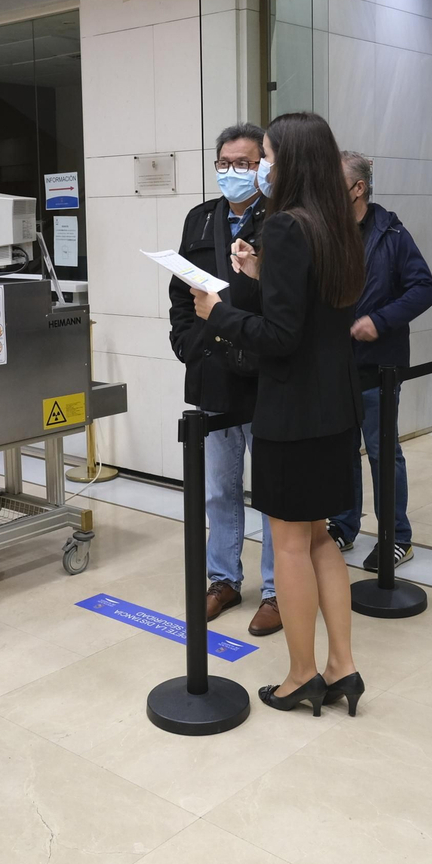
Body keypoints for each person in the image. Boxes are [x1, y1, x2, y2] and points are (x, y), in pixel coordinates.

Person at [193, 111, 366, 717]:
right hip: (335, 408)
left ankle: (300, 675)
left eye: (264, 155)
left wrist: (219, 312)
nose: (260, 167)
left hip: (292, 412)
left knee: (290, 545)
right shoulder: (336, 224)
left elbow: (281, 335)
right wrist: (261, 273)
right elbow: (314, 310)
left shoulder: (288, 225)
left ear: (289, 160)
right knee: (321, 540)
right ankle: (342, 666)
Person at [168, 122, 281, 637]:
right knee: (218, 487)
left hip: (265, 372)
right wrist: (185, 342)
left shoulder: (280, 220)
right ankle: (224, 580)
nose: (232, 171)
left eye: (244, 163)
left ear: (263, 166)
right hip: (212, 370)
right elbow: (180, 291)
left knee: (273, 490)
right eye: (225, 163)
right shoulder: (200, 218)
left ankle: (277, 590)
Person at [327, 153, 432, 570]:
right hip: (336, 366)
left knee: (381, 451)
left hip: (379, 367)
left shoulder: (391, 233)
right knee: (341, 450)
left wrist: (380, 320)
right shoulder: (328, 232)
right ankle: (344, 525)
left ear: (358, 188)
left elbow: (424, 288)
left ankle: (396, 536)